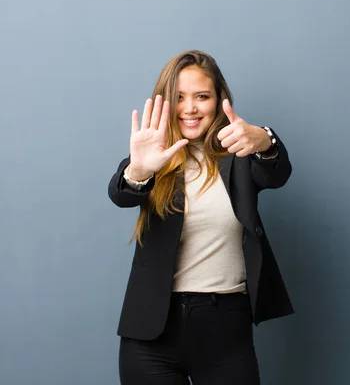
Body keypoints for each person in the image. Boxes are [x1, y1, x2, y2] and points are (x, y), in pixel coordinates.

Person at [107, 50, 294, 384]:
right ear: (165, 103)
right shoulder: (154, 156)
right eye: (179, 98)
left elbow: (277, 172)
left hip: (225, 332)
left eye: (201, 96)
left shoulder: (239, 152)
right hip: (151, 337)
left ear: (219, 99)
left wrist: (265, 139)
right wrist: (138, 169)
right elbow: (121, 193)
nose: (190, 108)